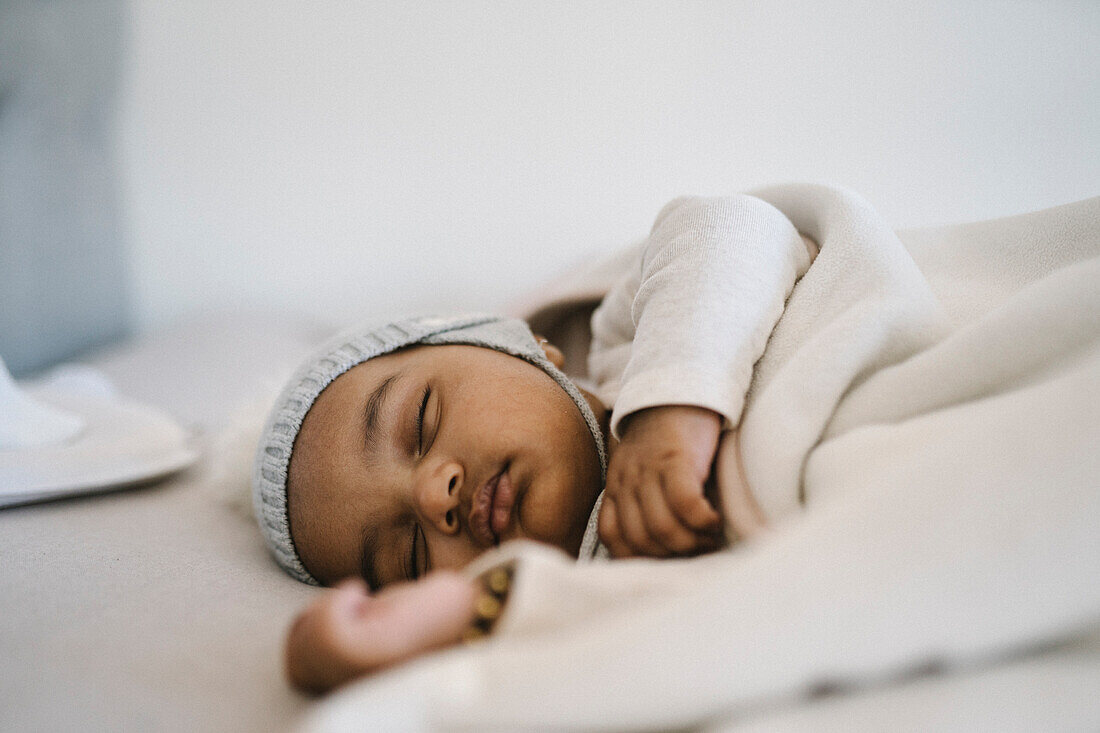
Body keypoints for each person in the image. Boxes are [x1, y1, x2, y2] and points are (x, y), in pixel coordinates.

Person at [253, 193, 817, 692]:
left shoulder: (635, 339)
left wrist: (669, 408)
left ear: (528, 347)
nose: (432, 498)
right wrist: (440, 622)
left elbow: (736, 230)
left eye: (421, 420)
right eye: (411, 558)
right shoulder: (593, 586)